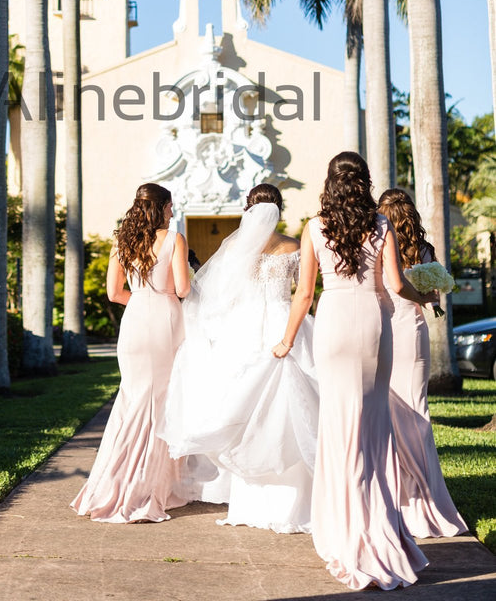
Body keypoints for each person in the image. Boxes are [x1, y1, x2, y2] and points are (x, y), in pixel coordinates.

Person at [273, 152, 433, 590]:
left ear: (330, 182)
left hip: (335, 323)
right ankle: (377, 524)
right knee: (373, 423)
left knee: (340, 423)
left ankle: (343, 526)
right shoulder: (381, 225)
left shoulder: (313, 227)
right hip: (372, 324)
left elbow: (304, 294)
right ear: (363, 182)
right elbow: (397, 286)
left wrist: (286, 341)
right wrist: (429, 297)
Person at [163, 183, 319, 532]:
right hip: (283, 322)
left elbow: (221, 294)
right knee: (290, 407)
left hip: (244, 328)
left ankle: (251, 501)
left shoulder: (234, 245)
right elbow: (303, 292)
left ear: (248, 209)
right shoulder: (293, 245)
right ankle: (295, 501)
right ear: (279, 208)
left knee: (244, 407)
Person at [70, 182, 191, 522]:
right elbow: (182, 288)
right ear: (161, 207)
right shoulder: (175, 239)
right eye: (170, 206)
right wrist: (172, 292)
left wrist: (141, 298)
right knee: (158, 402)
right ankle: (140, 486)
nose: (172, 211)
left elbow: (113, 293)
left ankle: (113, 481)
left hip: (134, 321)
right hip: (165, 320)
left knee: (133, 399)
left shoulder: (122, 241)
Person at [378, 188, 467, 538]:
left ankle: (404, 499)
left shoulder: (377, 247)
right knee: (416, 412)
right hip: (411, 334)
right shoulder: (422, 250)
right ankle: (418, 498)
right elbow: (432, 297)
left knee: (391, 414)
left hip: (385, 331)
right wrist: (430, 298)